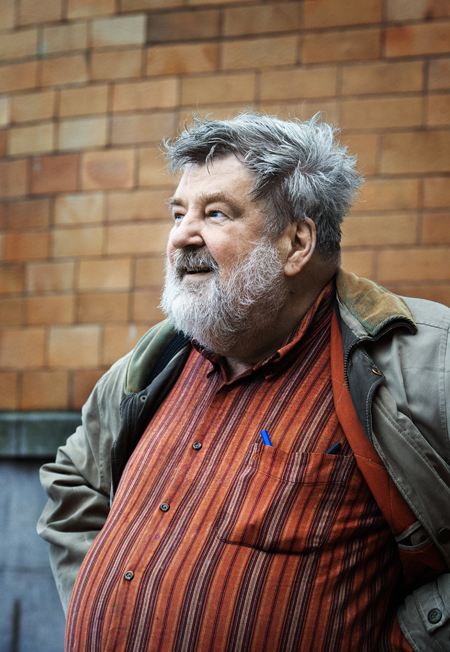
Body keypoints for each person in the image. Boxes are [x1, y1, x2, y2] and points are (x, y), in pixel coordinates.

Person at [38, 114, 450, 652]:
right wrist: (96, 603)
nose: (182, 235)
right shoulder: (153, 364)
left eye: (215, 213)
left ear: (296, 243)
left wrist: (415, 640)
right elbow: (75, 479)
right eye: (178, 213)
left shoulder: (422, 359)